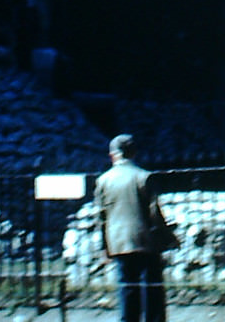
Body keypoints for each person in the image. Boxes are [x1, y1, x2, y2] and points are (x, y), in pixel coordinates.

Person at [94, 134, 169, 322]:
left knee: (127, 287)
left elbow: (101, 217)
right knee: (152, 288)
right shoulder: (143, 177)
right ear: (134, 152)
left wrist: (104, 246)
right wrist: (166, 237)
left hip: (118, 241)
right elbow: (154, 213)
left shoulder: (103, 181)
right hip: (145, 241)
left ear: (112, 155)